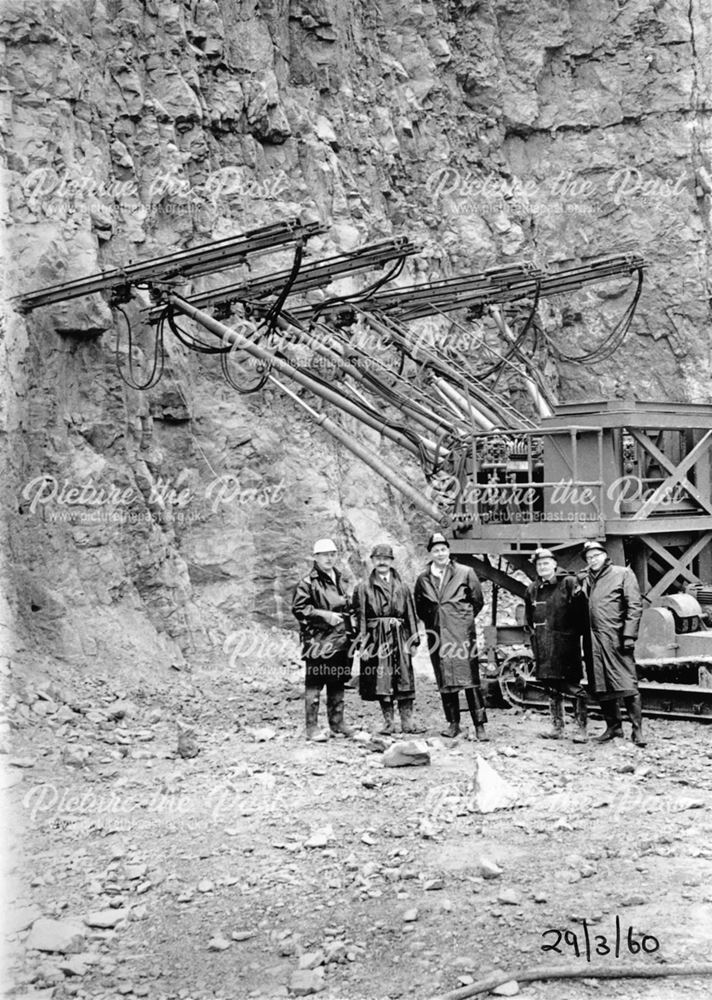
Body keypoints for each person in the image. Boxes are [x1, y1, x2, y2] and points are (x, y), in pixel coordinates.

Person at [414, 532, 488, 740]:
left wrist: (461, 619)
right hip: (437, 634)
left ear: (449, 551)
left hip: (461, 634)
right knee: (445, 680)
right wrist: (436, 621)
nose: (440, 553)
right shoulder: (423, 579)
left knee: (470, 680)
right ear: (430, 553)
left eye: (443, 549)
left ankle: (479, 726)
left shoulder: (465, 572)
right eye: (436, 550)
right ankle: (453, 724)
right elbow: (421, 608)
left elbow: (477, 601)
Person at [352, 543, 424, 735]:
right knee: (382, 680)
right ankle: (389, 722)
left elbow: (410, 614)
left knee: (404, 678)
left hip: (400, 637)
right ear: (373, 562)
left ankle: (407, 722)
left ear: (392, 562)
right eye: (378, 559)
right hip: (377, 638)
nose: (382, 562)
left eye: (386, 559)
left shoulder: (402, 587)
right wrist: (363, 645)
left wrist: (414, 641)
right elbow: (360, 618)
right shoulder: (363, 588)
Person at [579, 540, 646, 746]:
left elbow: (634, 605)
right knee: (600, 685)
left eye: (596, 556)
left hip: (615, 638)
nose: (593, 560)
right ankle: (614, 728)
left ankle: (637, 730)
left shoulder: (622, 574)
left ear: (605, 556)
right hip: (593, 640)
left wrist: (628, 636)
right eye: (589, 558)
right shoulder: (586, 579)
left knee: (627, 683)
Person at [292, 538, 355, 741]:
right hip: (318, 641)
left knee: (337, 682)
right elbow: (300, 609)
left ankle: (337, 723)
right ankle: (312, 727)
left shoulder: (340, 578)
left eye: (332, 554)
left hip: (341, 639)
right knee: (315, 684)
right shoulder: (308, 582)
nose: (329, 558)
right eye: (324, 554)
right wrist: (325, 615)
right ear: (316, 557)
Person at [524, 548, 588, 742]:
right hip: (543, 645)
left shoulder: (568, 583)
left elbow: (582, 613)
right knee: (551, 685)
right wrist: (534, 639)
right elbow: (528, 619)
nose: (542, 567)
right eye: (539, 564)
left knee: (573, 686)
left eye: (546, 563)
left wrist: (573, 636)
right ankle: (557, 727)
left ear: (554, 564)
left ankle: (581, 729)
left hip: (565, 645)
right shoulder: (532, 589)